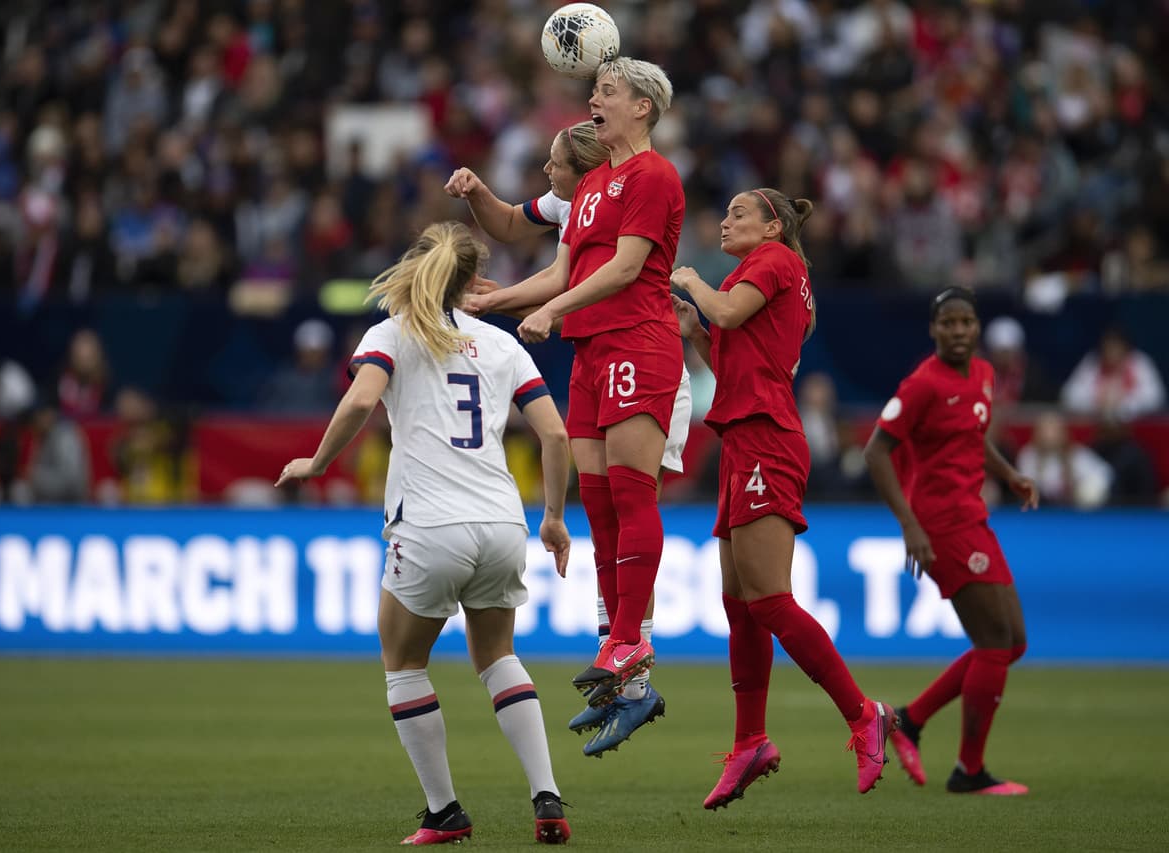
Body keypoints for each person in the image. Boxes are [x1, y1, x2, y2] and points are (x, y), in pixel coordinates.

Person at [274, 222, 572, 846]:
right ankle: (547, 795)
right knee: (498, 657)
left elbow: (359, 403)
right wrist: (554, 517)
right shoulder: (501, 344)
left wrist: (317, 463)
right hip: (501, 523)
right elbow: (556, 434)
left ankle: (445, 813)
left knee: (404, 663)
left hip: (431, 525)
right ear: (472, 282)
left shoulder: (393, 333)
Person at [445, 117, 688, 756]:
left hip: (641, 346)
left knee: (632, 499)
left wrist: (543, 309)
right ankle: (628, 684)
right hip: (595, 349)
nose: (546, 177)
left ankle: (633, 643)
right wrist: (496, 301)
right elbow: (529, 247)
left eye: (554, 164)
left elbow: (614, 273)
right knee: (602, 507)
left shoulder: (635, 182)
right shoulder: (578, 202)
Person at [671, 188, 898, 808]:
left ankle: (863, 713)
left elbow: (727, 315)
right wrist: (695, 331)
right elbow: (736, 354)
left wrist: (693, 284)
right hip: (747, 438)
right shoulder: (767, 273)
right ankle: (749, 743)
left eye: (738, 214)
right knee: (739, 604)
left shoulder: (774, 263)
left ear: (773, 226)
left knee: (768, 601)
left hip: (767, 440)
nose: (724, 221)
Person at [863, 286, 1040, 796]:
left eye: (966, 322)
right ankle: (969, 771)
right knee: (994, 645)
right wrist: (909, 525)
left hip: (974, 518)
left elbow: (972, 434)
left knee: (1014, 643)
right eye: (949, 323)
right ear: (934, 330)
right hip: (940, 525)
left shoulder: (983, 374)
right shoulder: (922, 384)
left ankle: (908, 720)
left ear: (977, 327)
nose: (959, 331)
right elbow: (876, 453)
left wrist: (1008, 473)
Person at [1060, 327, 1166, 422]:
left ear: (1126, 348)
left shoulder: (1140, 362)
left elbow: (1156, 399)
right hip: (1097, 428)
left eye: (1116, 348)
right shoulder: (1092, 363)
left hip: (1134, 428)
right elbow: (1068, 397)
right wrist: (1097, 401)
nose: (1112, 353)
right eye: (1108, 348)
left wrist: (1122, 404)